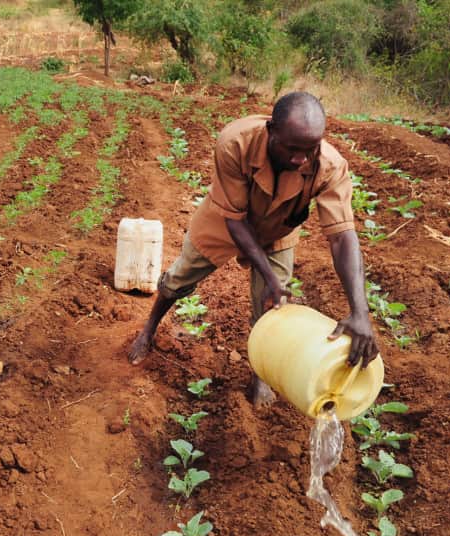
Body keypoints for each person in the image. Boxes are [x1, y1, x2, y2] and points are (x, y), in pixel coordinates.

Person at [127, 91, 379, 406]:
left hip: (278, 230)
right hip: (225, 220)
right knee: (179, 279)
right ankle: (149, 329)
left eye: (310, 149)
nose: (301, 159)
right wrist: (270, 279)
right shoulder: (236, 143)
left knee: (271, 309)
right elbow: (235, 221)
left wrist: (360, 311)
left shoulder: (329, 167)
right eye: (292, 149)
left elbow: (342, 236)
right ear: (271, 130)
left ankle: (261, 375)